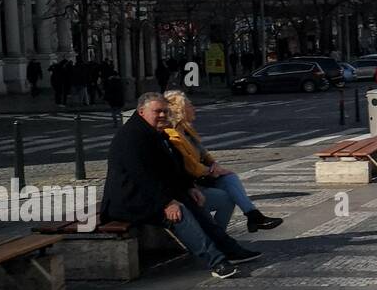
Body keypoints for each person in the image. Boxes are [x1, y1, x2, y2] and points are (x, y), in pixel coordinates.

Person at [101, 93, 260, 279]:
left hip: (152, 194)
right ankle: (216, 262)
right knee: (180, 213)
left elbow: (173, 165)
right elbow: (141, 176)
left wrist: (189, 187)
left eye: (165, 111)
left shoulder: (155, 131)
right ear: (141, 111)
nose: (162, 115)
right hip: (130, 200)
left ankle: (230, 249)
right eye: (157, 111)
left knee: (194, 203)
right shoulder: (132, 136)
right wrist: (167, 202)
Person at [162, 90, 282, 232]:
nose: (194, 108)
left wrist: (214, 164)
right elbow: (191, 167)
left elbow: (203, 153)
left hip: (202, 179)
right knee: (227, 197)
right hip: (190, 185)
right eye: (190, 105)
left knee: (229, 177)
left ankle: (253, 216)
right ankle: (220, 236)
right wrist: (212, 171)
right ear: (180, 110)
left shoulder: (187, 130)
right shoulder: (173, 135)